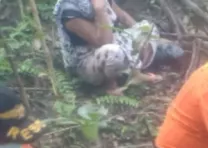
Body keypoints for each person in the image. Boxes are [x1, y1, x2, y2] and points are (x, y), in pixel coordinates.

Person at [54, 0, 183, 94]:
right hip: (87, 61)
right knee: (113, 52)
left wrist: (143, 36)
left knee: (147, 28)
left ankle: (134, 72)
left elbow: (123, 17)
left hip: (115, 41)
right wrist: (100, 10)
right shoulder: (69, 11)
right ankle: (110, 86)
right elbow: (104, 41)